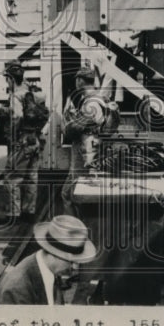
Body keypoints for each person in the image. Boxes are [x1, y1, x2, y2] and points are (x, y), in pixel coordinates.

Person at [0, 215, 98, 305]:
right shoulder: (17, 288)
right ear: (53, 254)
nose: (75, 267)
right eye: (71, 262)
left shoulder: (50, 269)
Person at [60, 66, 120, 215]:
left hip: (84, 154)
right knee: (70, 193)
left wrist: (67, 122)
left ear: (80, 81)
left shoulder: (91, 103)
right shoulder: (100, 99)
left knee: (73, 195)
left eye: (77, 80)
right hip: (91, 151)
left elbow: (73, 130)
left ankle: (76, 226)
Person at [2, 59, 48, 222]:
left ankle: (13, 214)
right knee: (31, 177)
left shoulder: (16, 95)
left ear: (10, 78)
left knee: (12, 177)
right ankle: (29, 211)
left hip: (22, 140)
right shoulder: (32, 92)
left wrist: (13, 136)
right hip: (35, 139)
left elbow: (17, 117)